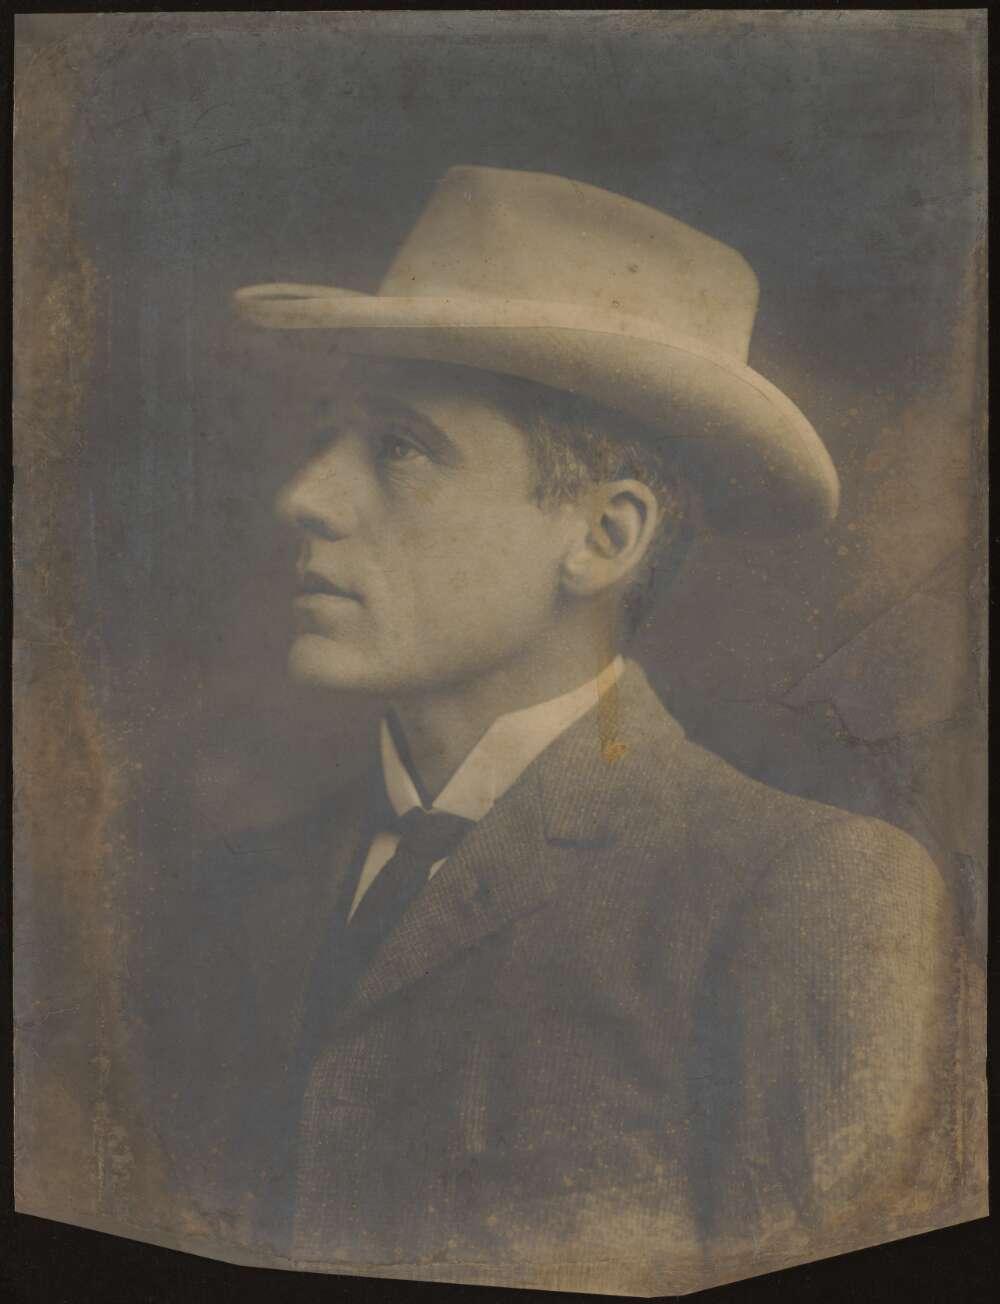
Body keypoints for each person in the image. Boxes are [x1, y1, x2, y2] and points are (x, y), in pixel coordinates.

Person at [138, 168, 960, 1294]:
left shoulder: (800, 895)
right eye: (328, 437)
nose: (307, 496)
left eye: (401, 447)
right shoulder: (232, 890)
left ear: (603, 537)